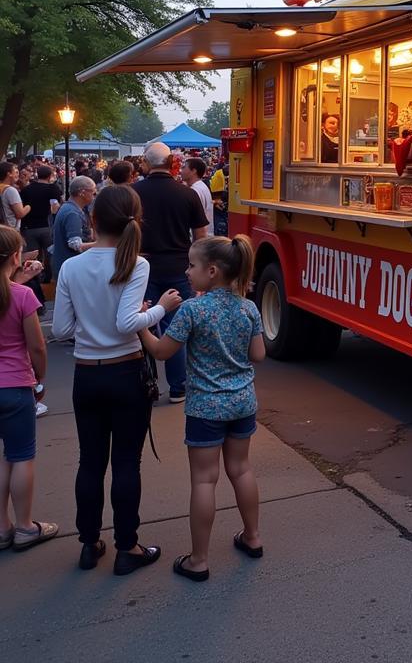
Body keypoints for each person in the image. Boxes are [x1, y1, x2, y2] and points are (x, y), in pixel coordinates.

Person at [52, 185, 181, 573]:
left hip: (86, 374)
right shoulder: (135, 265)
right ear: (133, 221)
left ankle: (89, 543)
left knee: (90, 461)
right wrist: (160, 308)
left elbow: (60, 328)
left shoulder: (72, 267)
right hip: (125, 372)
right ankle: (128, 546)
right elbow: (127, 322)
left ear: (93, 220)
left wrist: (91, 322)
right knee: (127, 462)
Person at [141, 235, 265, 581]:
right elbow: (258, 355)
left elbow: (163, 351)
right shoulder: (248, 307)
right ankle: (252, 537)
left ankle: (199, 559)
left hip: (206, 408)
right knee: (241, 469)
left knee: (204, 481)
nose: (187, 271)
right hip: (242, 403)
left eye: (192, 265)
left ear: (211, 271)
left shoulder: (192, 310)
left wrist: (143, 327)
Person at [134, 142, 208, 404]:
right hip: (178, 267)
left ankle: (145, 383)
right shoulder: (187, 194)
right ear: (170, 163)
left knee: (141, 324)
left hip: (142, 268)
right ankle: (178, 386)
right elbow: (200, 237)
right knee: (177, 329)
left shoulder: (133, 193)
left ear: (146, 162)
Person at [0, 225, 55, 552]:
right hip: (16, 385)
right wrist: (38, 380)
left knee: (5, 457)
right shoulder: (23, 296)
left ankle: (2, 527)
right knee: (20, 456)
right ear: (17, 257)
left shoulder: (15, 291)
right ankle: (24, 526)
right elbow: (37, 347)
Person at [20, 165, 62, 283]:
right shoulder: (53, 189)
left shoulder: (26, 190)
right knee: (49, 254)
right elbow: (56, 207)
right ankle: (48, 277)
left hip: (29, 227)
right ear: (49, 176)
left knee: (33, 256)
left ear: (37, 174)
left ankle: (34, 279)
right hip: (47, 226)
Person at [50, 176, 97, 279]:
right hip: (70, 269)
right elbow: (75, 245)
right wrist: (100, 244)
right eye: (93, 193)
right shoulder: (72, 213)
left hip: (65, 266)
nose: (94, 196)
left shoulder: (69, 208)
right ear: (82, 192)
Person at [182, 158, 214, 228]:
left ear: (193, 171)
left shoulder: (195, 190)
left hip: (199, 235)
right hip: (206, 233)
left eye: (184, 167)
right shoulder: (201, 186)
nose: (181, 170)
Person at [0, 162, 30, 232]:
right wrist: (29, 206)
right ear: (9, 174)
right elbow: (20, 214)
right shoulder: (10, 190)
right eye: (16, 172)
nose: (18, 175)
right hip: (11, 230)